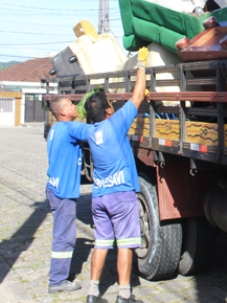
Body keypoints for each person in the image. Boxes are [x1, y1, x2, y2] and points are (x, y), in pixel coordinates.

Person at [83, 47, 148, 303]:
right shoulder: (117, 123)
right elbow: (139, 94)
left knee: (101, 244)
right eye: (111, 104)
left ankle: (92, 293)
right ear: (109, 111)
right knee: (125, 244)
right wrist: (141, 63)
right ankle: (124, 295)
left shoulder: (91, 132)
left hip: (99, 197)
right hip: (121, 195)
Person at [46, 97, 90, 294]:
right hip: (63, 191)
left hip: (54, 187)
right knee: (65, 236)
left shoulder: (55, 128)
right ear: (63, 112)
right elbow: (95, 132)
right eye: (71, 105)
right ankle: (57, 280)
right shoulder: (70, 128)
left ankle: (58, 277)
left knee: (61, 233)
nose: (75, 105)